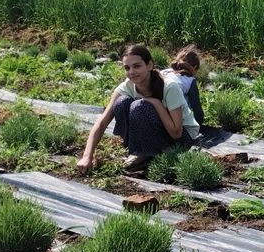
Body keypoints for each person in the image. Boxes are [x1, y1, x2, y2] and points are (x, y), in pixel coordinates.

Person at [77, 44, 201, 173]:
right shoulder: (127, 87)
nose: (131, 72)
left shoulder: (169, 87)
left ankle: (157, 153)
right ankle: (141, 151)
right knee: (121, 103)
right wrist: (87, 157)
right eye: (127, 68)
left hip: (183, 138)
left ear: (149, 65)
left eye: (137, 66)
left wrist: (156, 103)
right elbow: (102, 123)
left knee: (139, 107)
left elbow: (177, 132)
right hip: (159, 131)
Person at [161, 45, 204, 127]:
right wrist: (198, 125)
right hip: (172, 115)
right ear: (194, 67)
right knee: (187, 97)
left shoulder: (164, 72)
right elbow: (196, 107)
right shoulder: (190, 80)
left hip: (156, 109)